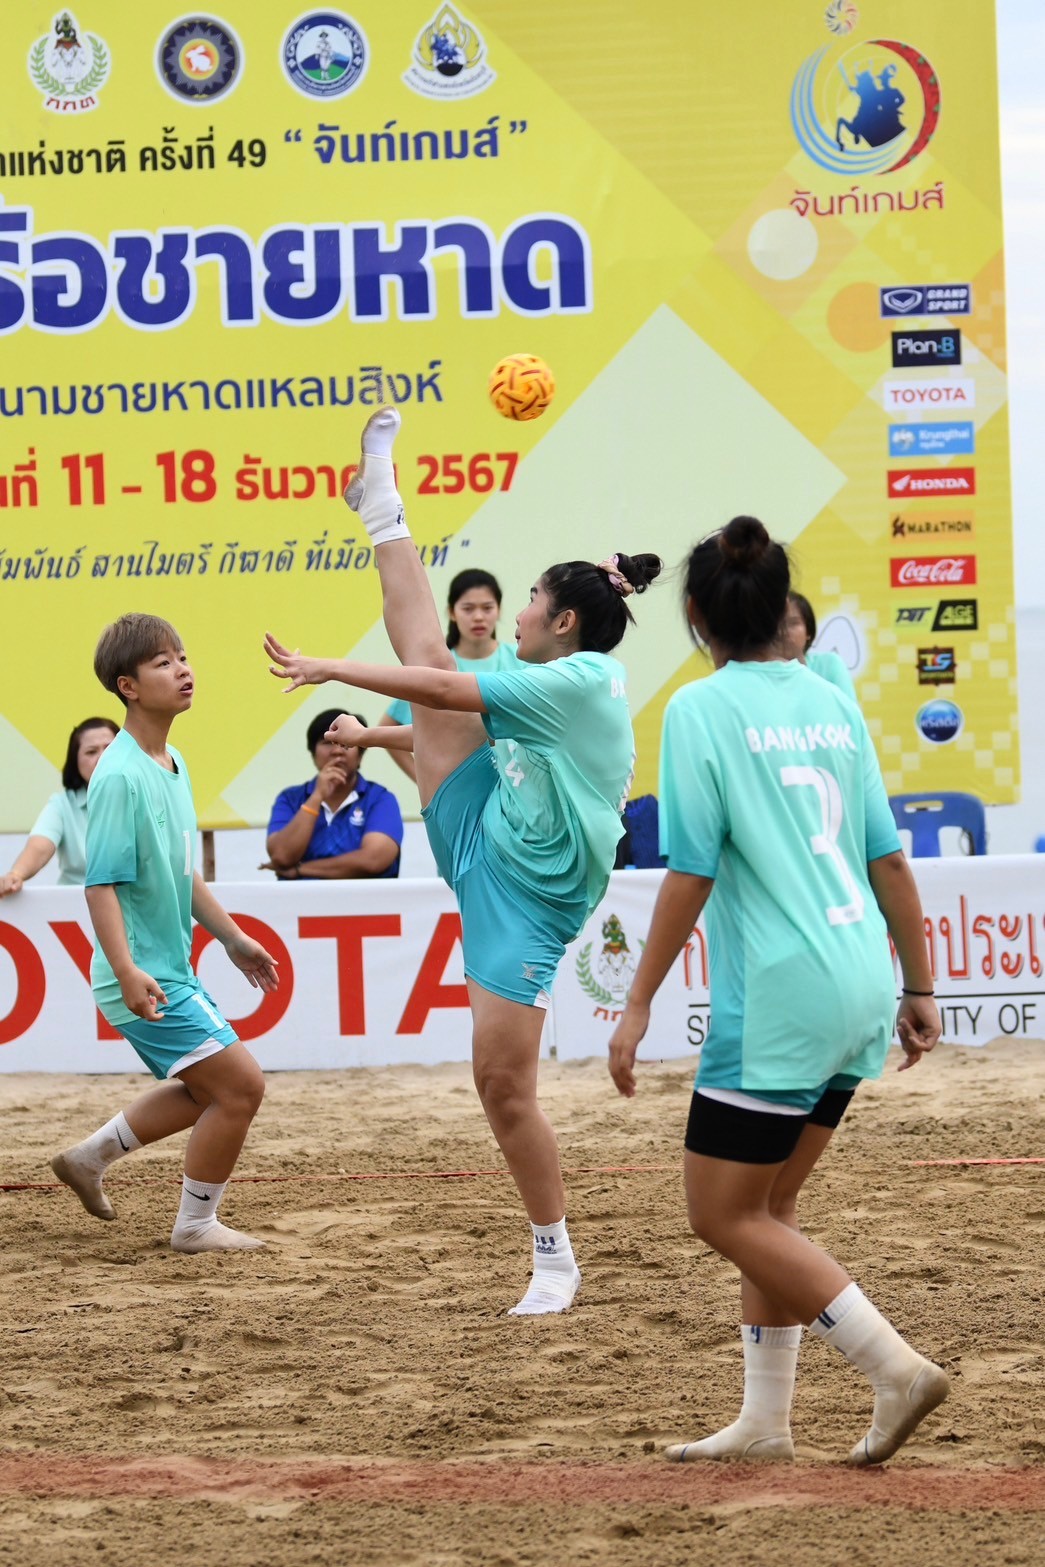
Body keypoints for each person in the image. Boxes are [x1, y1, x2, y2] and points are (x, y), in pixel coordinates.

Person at [264, 406, 661, 1315]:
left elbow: (444, 688)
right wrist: (372, 734)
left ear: (563, 619)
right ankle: (381, 504)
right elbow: (445, 707)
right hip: (488, 823)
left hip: (532, 894)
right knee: (428, 654)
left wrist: (331, 667)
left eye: (528, 598)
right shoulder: (549, 675)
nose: (512, 612)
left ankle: (555, 1259)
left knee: (501, 1086)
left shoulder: (584, 677)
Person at [608, 516, 948, 1466]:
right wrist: (919, 983)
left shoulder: (698, 709)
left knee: (719, 1214)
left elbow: (689, 872)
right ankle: (765, 1419)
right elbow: (888, 858)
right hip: (856, 977)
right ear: (779, 606)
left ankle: (892, 1366)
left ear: (695, 614)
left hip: (777, 996)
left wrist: (636, 1003)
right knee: (768, 1207)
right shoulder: (830, 699)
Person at [51, 613, 280, 1253]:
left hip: (169, 967)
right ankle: (195, 1225)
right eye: (163, 663)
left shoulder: (172, 759)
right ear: (127, 686)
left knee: (209, 1088)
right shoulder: (119, 775)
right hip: (142, 973)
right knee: (241, 1087)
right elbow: (100, 885)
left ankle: (88, 1159)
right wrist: (126, 970)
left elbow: (181, 870)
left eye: (182, 657)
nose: (183, 670)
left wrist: (231, 938)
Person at [378, 568, 517, 784]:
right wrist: (426, 783)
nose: (478, 617)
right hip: (461, 790)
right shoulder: (437, 668)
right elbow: (388, 727)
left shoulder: (521, 661)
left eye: (487, 608)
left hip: (516, 786)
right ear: (452, 612)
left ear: (498, 610)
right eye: (468, 609)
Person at [263, 707, 403, 880]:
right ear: (313, 754)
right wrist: (316, 797)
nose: (337, 751)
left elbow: (374, 859)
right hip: (303, 898)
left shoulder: (380, 798)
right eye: (327, 742)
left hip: (362, 898)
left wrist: (300, 870)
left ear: (360, 756)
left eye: (346, 744)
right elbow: (281, 856)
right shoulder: (289, 799)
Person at [0, 717, 118, 896]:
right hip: (76, 902)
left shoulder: (144, 796)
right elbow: (40, 846)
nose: (102, 758)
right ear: (75, 762)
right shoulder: (62, 804)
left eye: (109, 749)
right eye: (91, 752)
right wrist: (16, 874)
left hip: (135, 903)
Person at [783, 590, 858, 700]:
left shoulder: (829, 664)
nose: (784, 632)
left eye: (793, 623)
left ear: (808, 631)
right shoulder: (760, 674)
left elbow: (848, 709)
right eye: (779, 625)